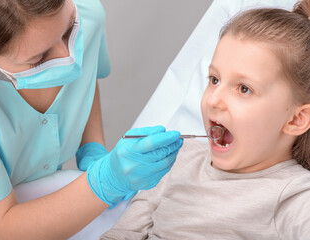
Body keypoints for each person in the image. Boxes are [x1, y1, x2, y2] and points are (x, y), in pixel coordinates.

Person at [0, 0, 184, 239]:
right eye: (40, 58)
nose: (69, 57)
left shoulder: (86, 12)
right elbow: (3, 227)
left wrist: (92, 147)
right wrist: (106, 181)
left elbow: (84, 77)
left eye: (70, 30)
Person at [100, 0, 310, 239]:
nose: (213, 100)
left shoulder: (295, 196)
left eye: (243, 89)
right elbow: (122, 233)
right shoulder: (178, 159)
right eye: (214, 80)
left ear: (296, 119)